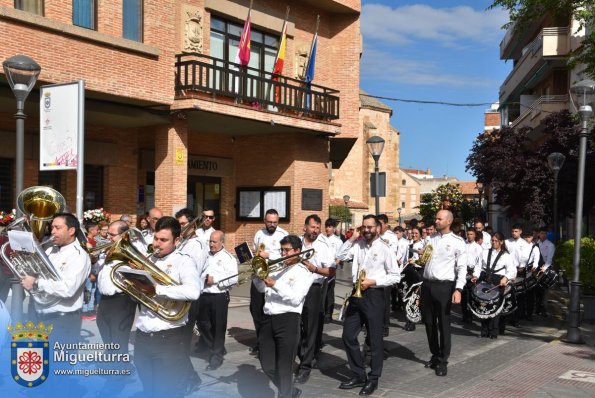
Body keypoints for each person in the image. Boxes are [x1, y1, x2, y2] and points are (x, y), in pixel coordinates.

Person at [133, 216, 200, 398]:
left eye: (163, 240)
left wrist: (157, 289)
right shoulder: (148, 260)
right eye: (156, 238)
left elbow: (193, 292)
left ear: (176, 241)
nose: (157, 244)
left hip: (168, 338)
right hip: (143, 335)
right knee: (149, 389)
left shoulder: (184, 261)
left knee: (168, 391)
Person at [337, 215, 400, 395]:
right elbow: (340, 256)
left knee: (374, 340)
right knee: (348, 336)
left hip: (374, 295)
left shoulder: (385, 248)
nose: (366, 230)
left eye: (370, 227)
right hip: (357, 296)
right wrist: (351, 237)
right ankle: (358, 374)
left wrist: (373, 281)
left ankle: (373, 379)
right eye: (364, 227)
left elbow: (395, 276)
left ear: (378, 229)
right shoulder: (357, 244)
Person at [254, 235, 314, 398]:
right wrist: (258, 276)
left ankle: (285, 393)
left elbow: (295, 298)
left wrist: (275, 284)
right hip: (268, 319)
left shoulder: (305, 273)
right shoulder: (278, 268)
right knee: (267, 365)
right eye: (282, 250)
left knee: (284, 368)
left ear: (297, 251)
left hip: (288, 320)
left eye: (287, 250)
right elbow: (261, 289)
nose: (283, 254)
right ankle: (290, 391)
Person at [20, 213, 92, 343]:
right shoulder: (50, 250)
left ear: (71, 231)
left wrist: (36, 282)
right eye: (52, 227)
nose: (52, 231)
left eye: (57, 228)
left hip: (63, 321)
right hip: (41, 316)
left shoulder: (79, 255)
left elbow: (68, 289)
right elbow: (38, 273)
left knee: (58, 362)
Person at [420, 210, 467, 377]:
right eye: (436, 218)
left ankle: (443, 360)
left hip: (444, 286)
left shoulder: (457, 242)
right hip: (427, 284)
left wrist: (458, 289)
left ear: (448, 221)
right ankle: (434, 354)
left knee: (443, 324)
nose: (436, 220)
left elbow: (461, 267)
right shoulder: (430, 238)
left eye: (440, 218)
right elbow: (425, 259)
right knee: (429, 322)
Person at [295, 214, 335, 385]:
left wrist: (315, 269)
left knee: (311, 329)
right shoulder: (296, 242)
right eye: (313, 227)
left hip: (313, 289)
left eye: (318, 228)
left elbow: (331, 272)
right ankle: (301, 354)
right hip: (295, 288)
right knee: (295, 327)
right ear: (305, 227)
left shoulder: (323, 245)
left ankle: (305, 366)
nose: (316, 231)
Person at [96, 221, 136, 365]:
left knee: (119, 337)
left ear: (124, 235)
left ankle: (120, 370)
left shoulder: (130, 250)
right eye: (108, 234)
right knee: (103, 325)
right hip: (105, 299)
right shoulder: (109, 249)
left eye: (112, 235)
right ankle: (112, 361)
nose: (108, 238)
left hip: (121, 299)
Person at [197, 230, 238, 370]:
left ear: (222, 242)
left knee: (218, 327)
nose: (211, 244)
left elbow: (234, 279)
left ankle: (216, 356)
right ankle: (215, 347)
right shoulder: (204, 255)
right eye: (210, 241)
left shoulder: (229, 258)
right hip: (203, 294)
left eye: (214, 242)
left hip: (218, 296)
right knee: (203, 324)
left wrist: (215, 280)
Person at [251, 209, 288, 354]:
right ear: (264, 221)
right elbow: (255, 251)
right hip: (258, 278)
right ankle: (260, 340)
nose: (272, 224)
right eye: (269, 222)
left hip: (273, 278)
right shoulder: (259, 233)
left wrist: (268, 254)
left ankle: (268, 343)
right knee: (256, 311)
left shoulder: (283, 234)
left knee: (269, 313)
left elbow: (285, 255)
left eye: (275, 222)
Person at [471, 232, 516, 338]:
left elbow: (512, 270)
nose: (493, 243)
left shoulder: (506, 255)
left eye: (496, 241)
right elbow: (478, 266)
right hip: (484, 280)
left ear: (501, 242)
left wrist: (506, 278)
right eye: (492, 240)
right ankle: (484, 330)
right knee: (483, 306)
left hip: (497, 281)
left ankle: (494, 331)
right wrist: (475, 276)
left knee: (495, 307)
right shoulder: (485, 252)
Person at [461, 228, 483, 324]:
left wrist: (475, 275)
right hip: (463, 272)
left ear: (475, 235)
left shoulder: (478, 247)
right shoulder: (463, 245)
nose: (469, 236)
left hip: (472, 272)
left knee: (471, 296)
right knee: (462, 296)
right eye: (468, 234)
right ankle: (464, 315)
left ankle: (471, 315)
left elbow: (479, 263)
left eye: (471, 234)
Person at [323, 218, 343, 323]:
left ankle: (328, 314)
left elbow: (339, 256)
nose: (327, 229)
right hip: (322, 269)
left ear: (334, 228)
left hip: (331, 269)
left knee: (329, 293)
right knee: (323, 292)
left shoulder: (338, 241)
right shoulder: (322, 239)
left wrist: (335, 264)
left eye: (330, 227)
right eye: (326, 226)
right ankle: (322, 312)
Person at [536, 228, 555, 317]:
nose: (543, 235)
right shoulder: (535, 244)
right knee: (536, 290)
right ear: (538, 234)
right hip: (536, 268)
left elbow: (549, 259)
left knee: (544, 291)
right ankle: (536, 308)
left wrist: (545, 267)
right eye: (541, 233)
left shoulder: (550, 245)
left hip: (545, 269)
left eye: (544, 233)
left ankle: (543, 309)